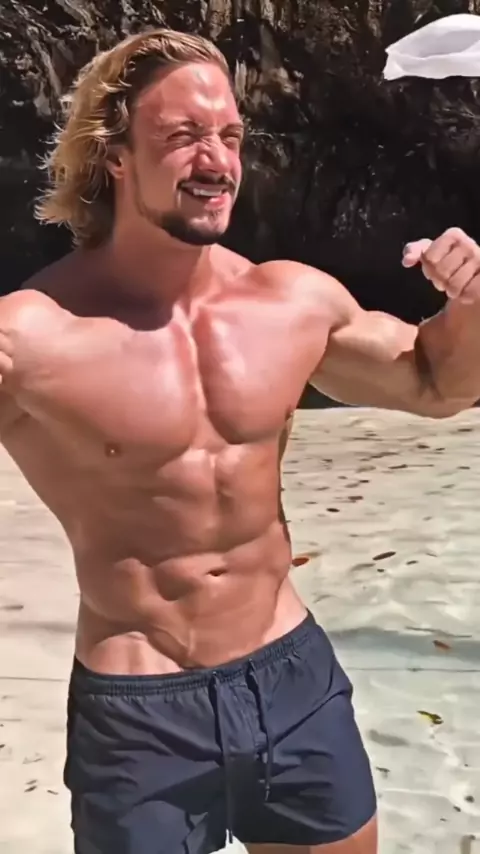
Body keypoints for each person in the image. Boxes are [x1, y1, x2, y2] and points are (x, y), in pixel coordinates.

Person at [1, 27, 480, 854]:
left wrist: (469, 306)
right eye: (184, 136)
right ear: (115, 156)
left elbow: (439, 384)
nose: (217, 160)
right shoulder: (33, 337)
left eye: (229, 135)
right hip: (141, 712)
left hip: (292, 678)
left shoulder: (290, 301)